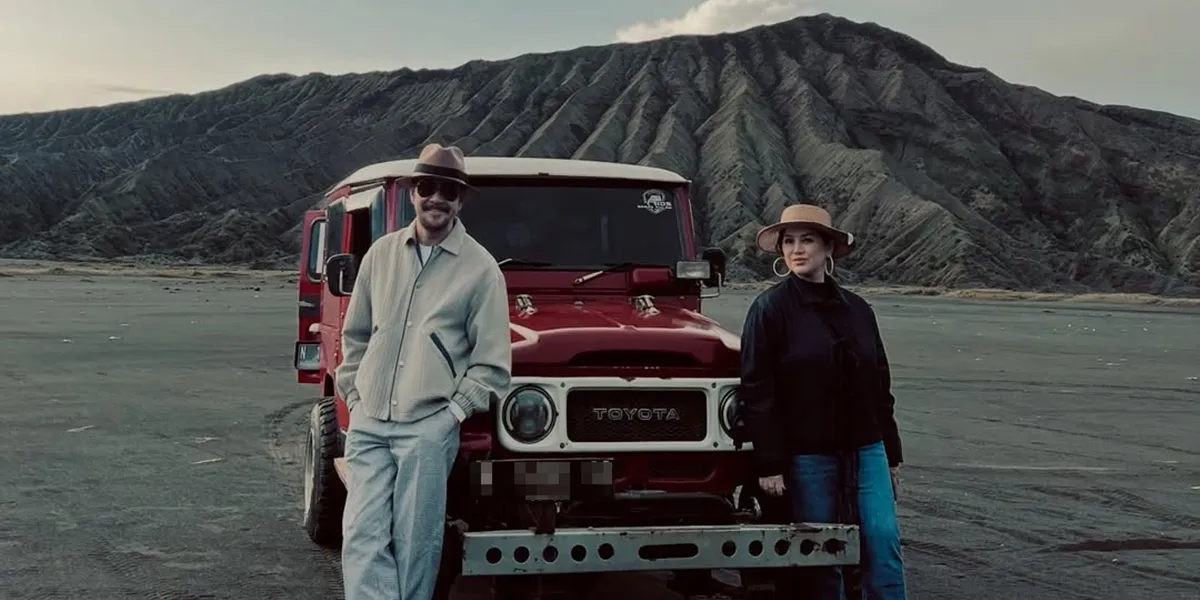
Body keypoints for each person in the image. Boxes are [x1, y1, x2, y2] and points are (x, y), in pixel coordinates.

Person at [334, 143, 513, 600]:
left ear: (461, 200)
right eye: (428, 187)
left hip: (428, 426)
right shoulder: (381, 255)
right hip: (370, 420)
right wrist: (354, 396)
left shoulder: (481, 270)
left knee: (416, 540)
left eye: (448, 191)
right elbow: (356, 335)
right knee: (361, 533)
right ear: (414, 192)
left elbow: (492, 365)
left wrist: (450, 416)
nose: (437, 198)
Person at [739, 203, 907, 600]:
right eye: (789, 242)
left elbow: (879, 385)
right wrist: (769, 463)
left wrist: (892, 455)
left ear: (828, 247)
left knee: (882, 538)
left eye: (808, 240)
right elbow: (758, 390)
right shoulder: (769, 309)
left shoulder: (858, 310)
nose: (797, 250)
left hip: (866, 448)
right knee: (820, 550)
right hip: (807, 453)